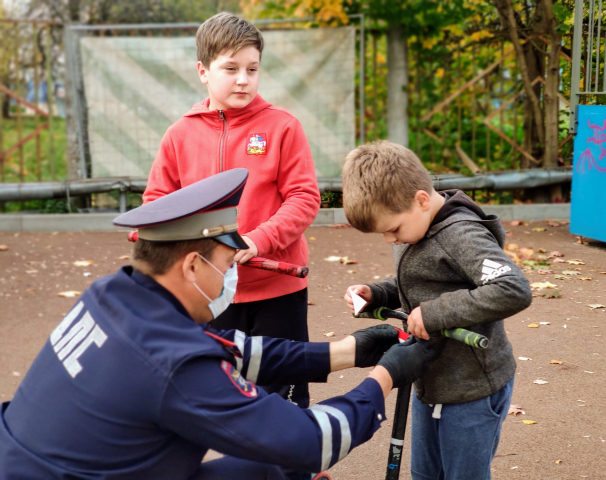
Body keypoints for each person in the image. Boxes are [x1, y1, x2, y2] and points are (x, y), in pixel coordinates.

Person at [0, 169, 439, 480]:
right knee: (289, 461)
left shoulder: (112, 295)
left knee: (267, 471)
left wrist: (352, 350)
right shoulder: (175, 366)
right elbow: (313, 441)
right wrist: (387, 375)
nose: (233, 274)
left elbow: (228, 348)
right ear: (193, 266)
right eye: (228, 263)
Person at [143, 12, 320, 409]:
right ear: (203, 71)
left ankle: (296, 472)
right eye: (231, 68)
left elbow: (304, 198)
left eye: (252, 69)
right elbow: (156, 202)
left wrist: (258, 241)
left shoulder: (282, 127)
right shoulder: (179, 135)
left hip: (278, 290)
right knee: (220, 399)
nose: (244, 79)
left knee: (283, 399)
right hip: (208, 292)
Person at [341, 141, 533, 480]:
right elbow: (423, 281)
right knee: (426, 474)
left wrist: (434, 314)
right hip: (430, 381)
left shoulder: (461, 235)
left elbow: (512, 288)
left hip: (471, 390)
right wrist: (378, 294)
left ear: (421, 200)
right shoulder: (416, 227)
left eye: (393, 229)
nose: (391, 240)